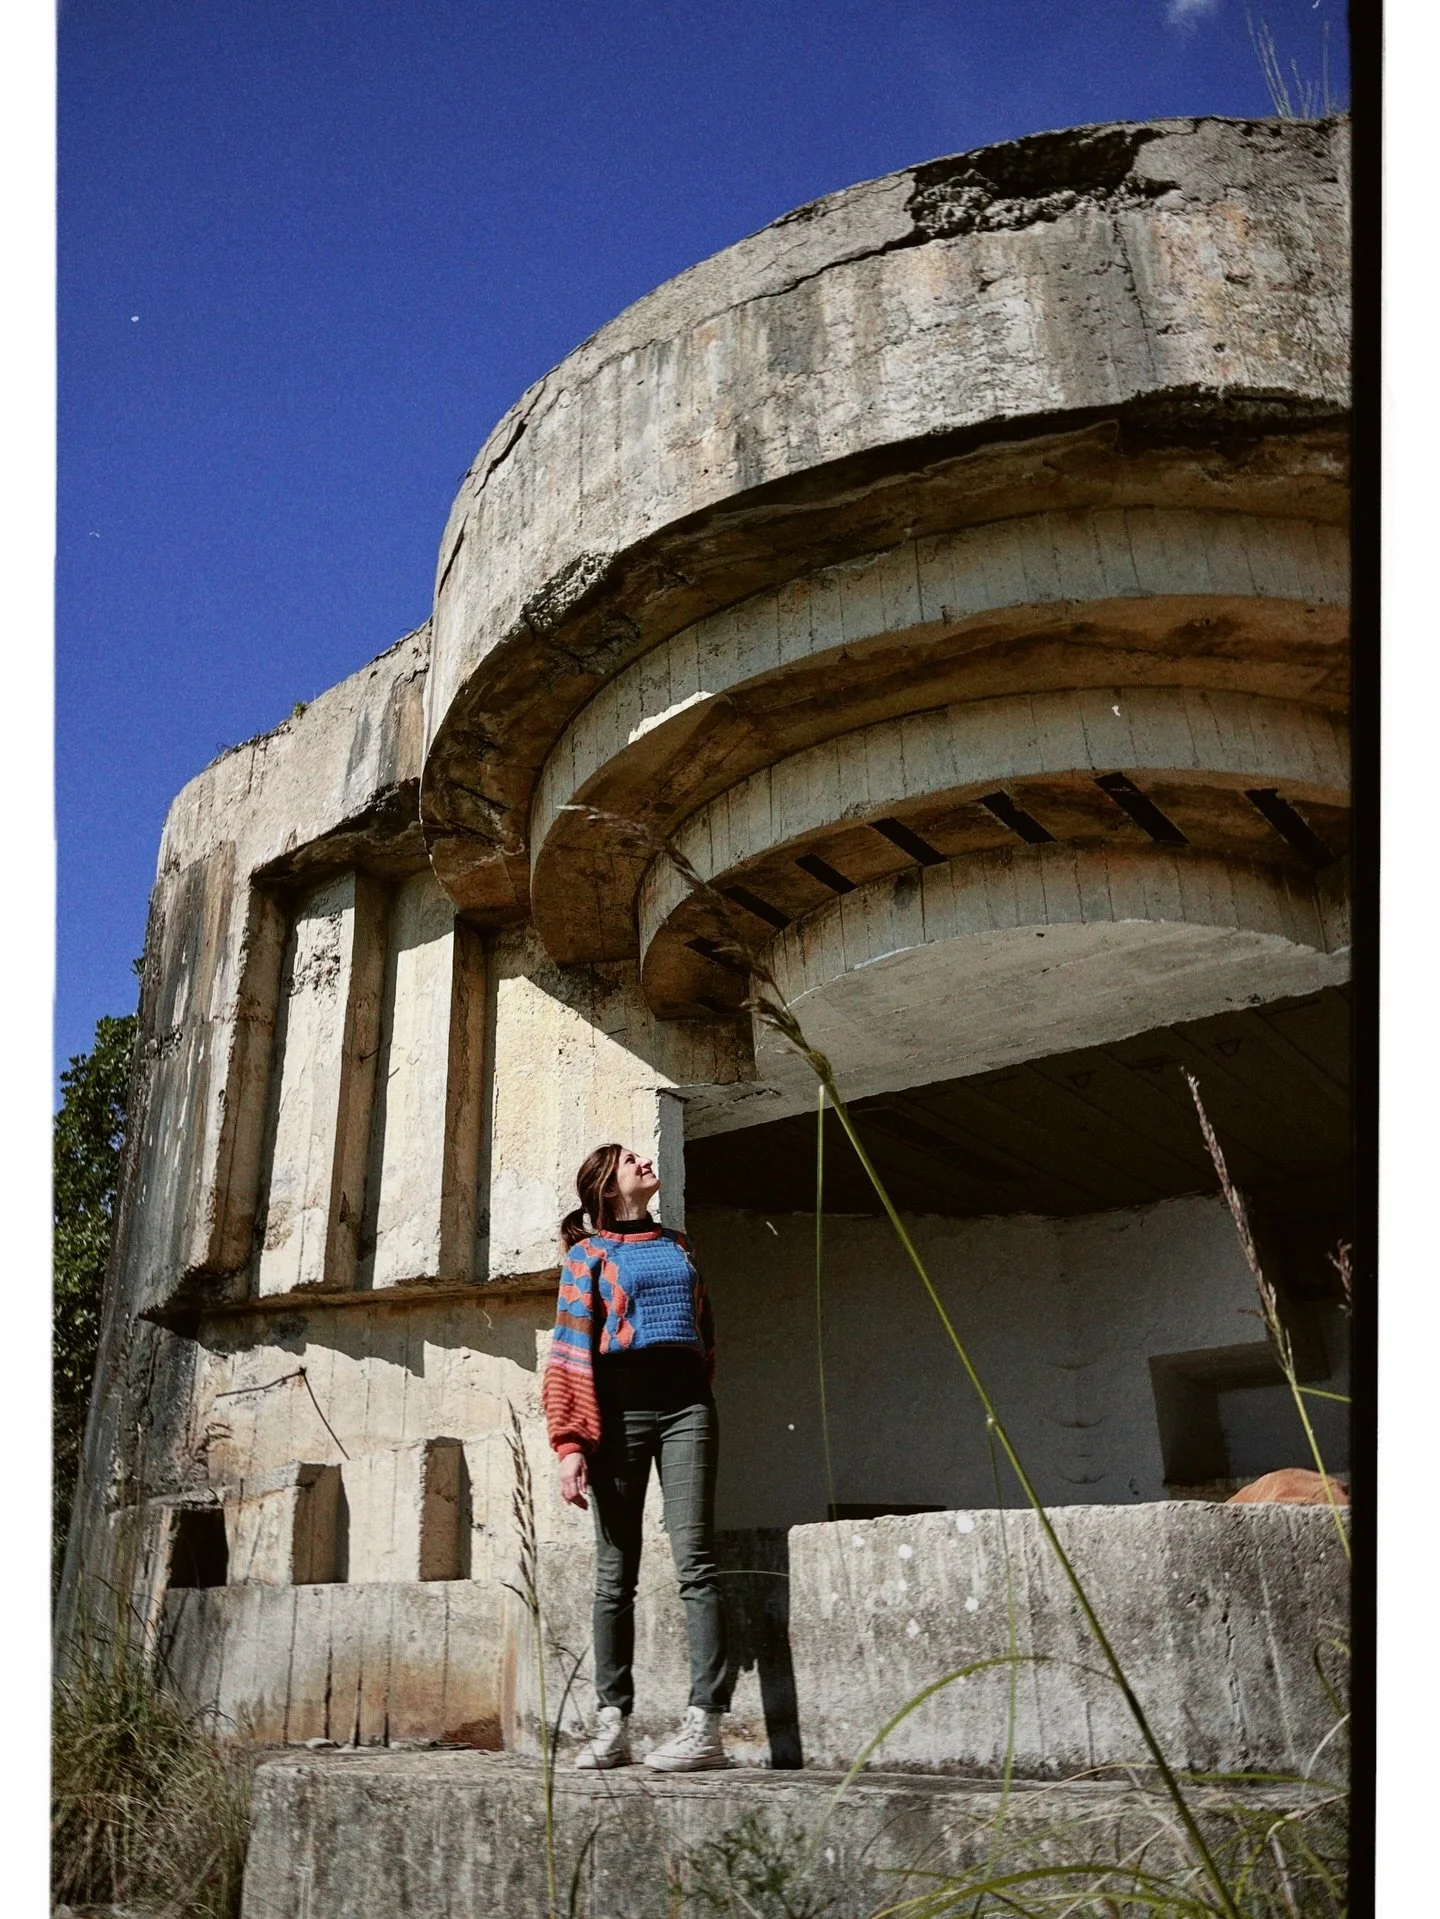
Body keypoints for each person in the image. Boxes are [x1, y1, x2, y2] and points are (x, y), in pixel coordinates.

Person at [541, 1142, 729, 1771]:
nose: (644, 1162)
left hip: (688, 1412)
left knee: (696, 1562)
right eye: (629, 1161)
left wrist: (697, 1388)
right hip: (618, 1421)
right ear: (606, 1187)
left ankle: (705, 1727)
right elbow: (568, 1352)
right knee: (614, 1576)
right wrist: (570, 1445)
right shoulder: (587, 1256)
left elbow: (705, 1331)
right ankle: (612, 1722)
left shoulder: (680, 1245)